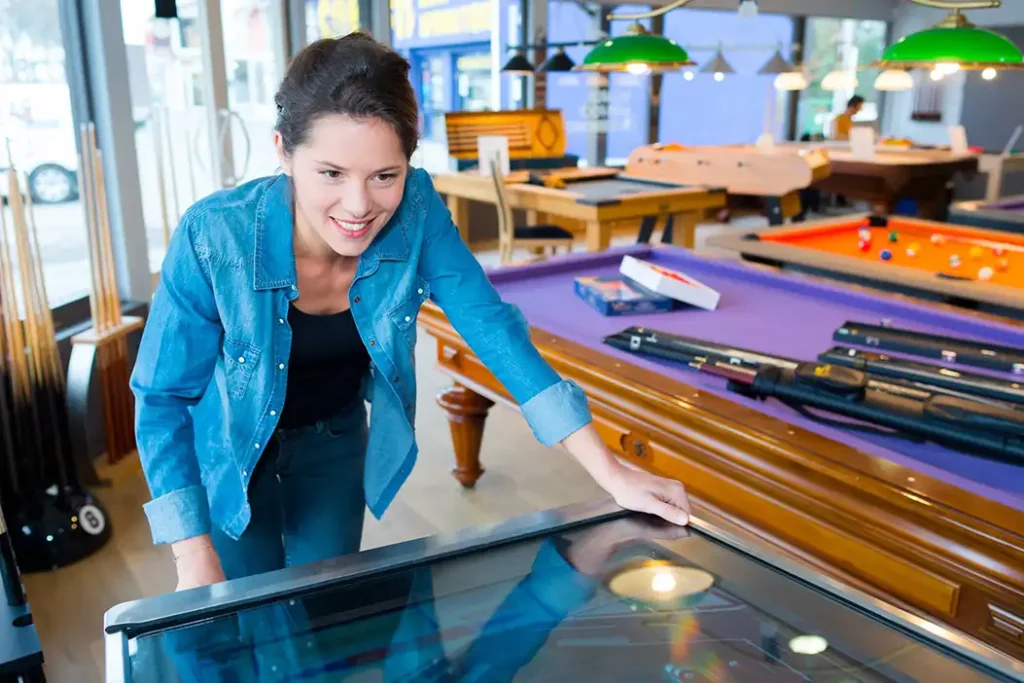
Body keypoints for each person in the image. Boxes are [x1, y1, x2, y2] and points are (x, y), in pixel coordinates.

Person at [130, 32, 691, 594]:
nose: (358, 207)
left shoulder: (418, 209)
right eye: (330, 173)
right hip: (230, 451)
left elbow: (492, 329)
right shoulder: (212, 233)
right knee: (239, 612)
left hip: (336, 441)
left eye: (384, 176)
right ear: (283, 151)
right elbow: (162, 398)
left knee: (324, 608)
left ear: (408, 164)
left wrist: (610, 472)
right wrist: (191, 553)